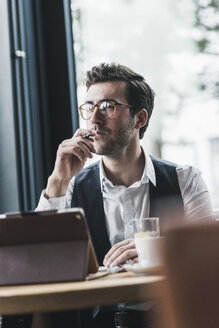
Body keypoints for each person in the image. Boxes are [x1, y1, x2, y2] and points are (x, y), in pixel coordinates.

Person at [36, 62, 213, 327]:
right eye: (89, 107)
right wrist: (57, 180)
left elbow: (210, 260)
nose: (94, 119)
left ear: (139, 119)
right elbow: (40, 260)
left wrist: (161, 249)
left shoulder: (186, 180)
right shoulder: (70, 185)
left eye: (108, 106)